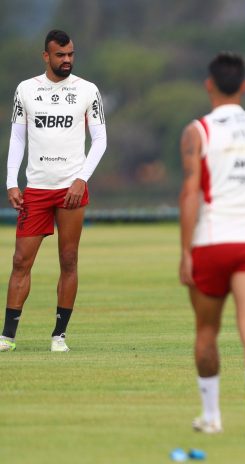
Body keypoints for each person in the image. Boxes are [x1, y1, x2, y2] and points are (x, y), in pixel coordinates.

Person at [179, 52, 245, 436]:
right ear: (244, 86)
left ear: (209, 84)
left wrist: (186, 251)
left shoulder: (198, 130)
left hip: (212, 241)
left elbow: (190, 193)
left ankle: (212, 416)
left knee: (207, 332)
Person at [0, 30, 107, 353]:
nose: (67, 60)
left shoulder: (87, 90)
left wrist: (81, 179)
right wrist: (11, 181)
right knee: (21, 260)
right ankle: (7, 336)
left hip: (71, 190)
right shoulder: (26, 90)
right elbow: (18, 138)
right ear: (46, 56)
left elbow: (100, 140)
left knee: (69, 259)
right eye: (60, 55)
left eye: (70, 54)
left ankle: (59, 336)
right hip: (36, 188)